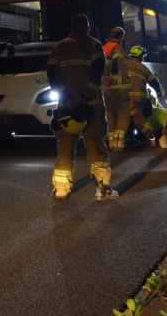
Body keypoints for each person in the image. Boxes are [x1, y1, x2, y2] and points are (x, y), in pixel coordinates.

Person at [46, 14, 118, 201]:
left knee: (65, 146)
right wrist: (84, 97)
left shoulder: (59, 47)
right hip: (91, 105)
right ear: (87, 28)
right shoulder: (94, 45)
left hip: (66, 108)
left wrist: (68, 98)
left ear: (71, 28)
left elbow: (52, 76)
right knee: (95, 143)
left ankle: (61, 190)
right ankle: (102, 189)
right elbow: (98, 73)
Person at [102, 27, 132, 152]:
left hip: (106, 89)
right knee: (122, 115)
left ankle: (112, 143)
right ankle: (119, 144)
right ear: (121, 37)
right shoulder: (117, 48)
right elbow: (116, 64)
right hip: (119, 88)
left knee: (111, 116)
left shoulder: (103, 47)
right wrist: (113, 79)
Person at [128, 45, 164, 142]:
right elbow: (154, 82)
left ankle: (131, 137)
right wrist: (159, 93)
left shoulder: (124, 65)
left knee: (129, 117)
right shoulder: (143, 68)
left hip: (124, 97)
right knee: (139, 119)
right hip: (139, 98)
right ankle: (152, 132)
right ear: (140, 56)